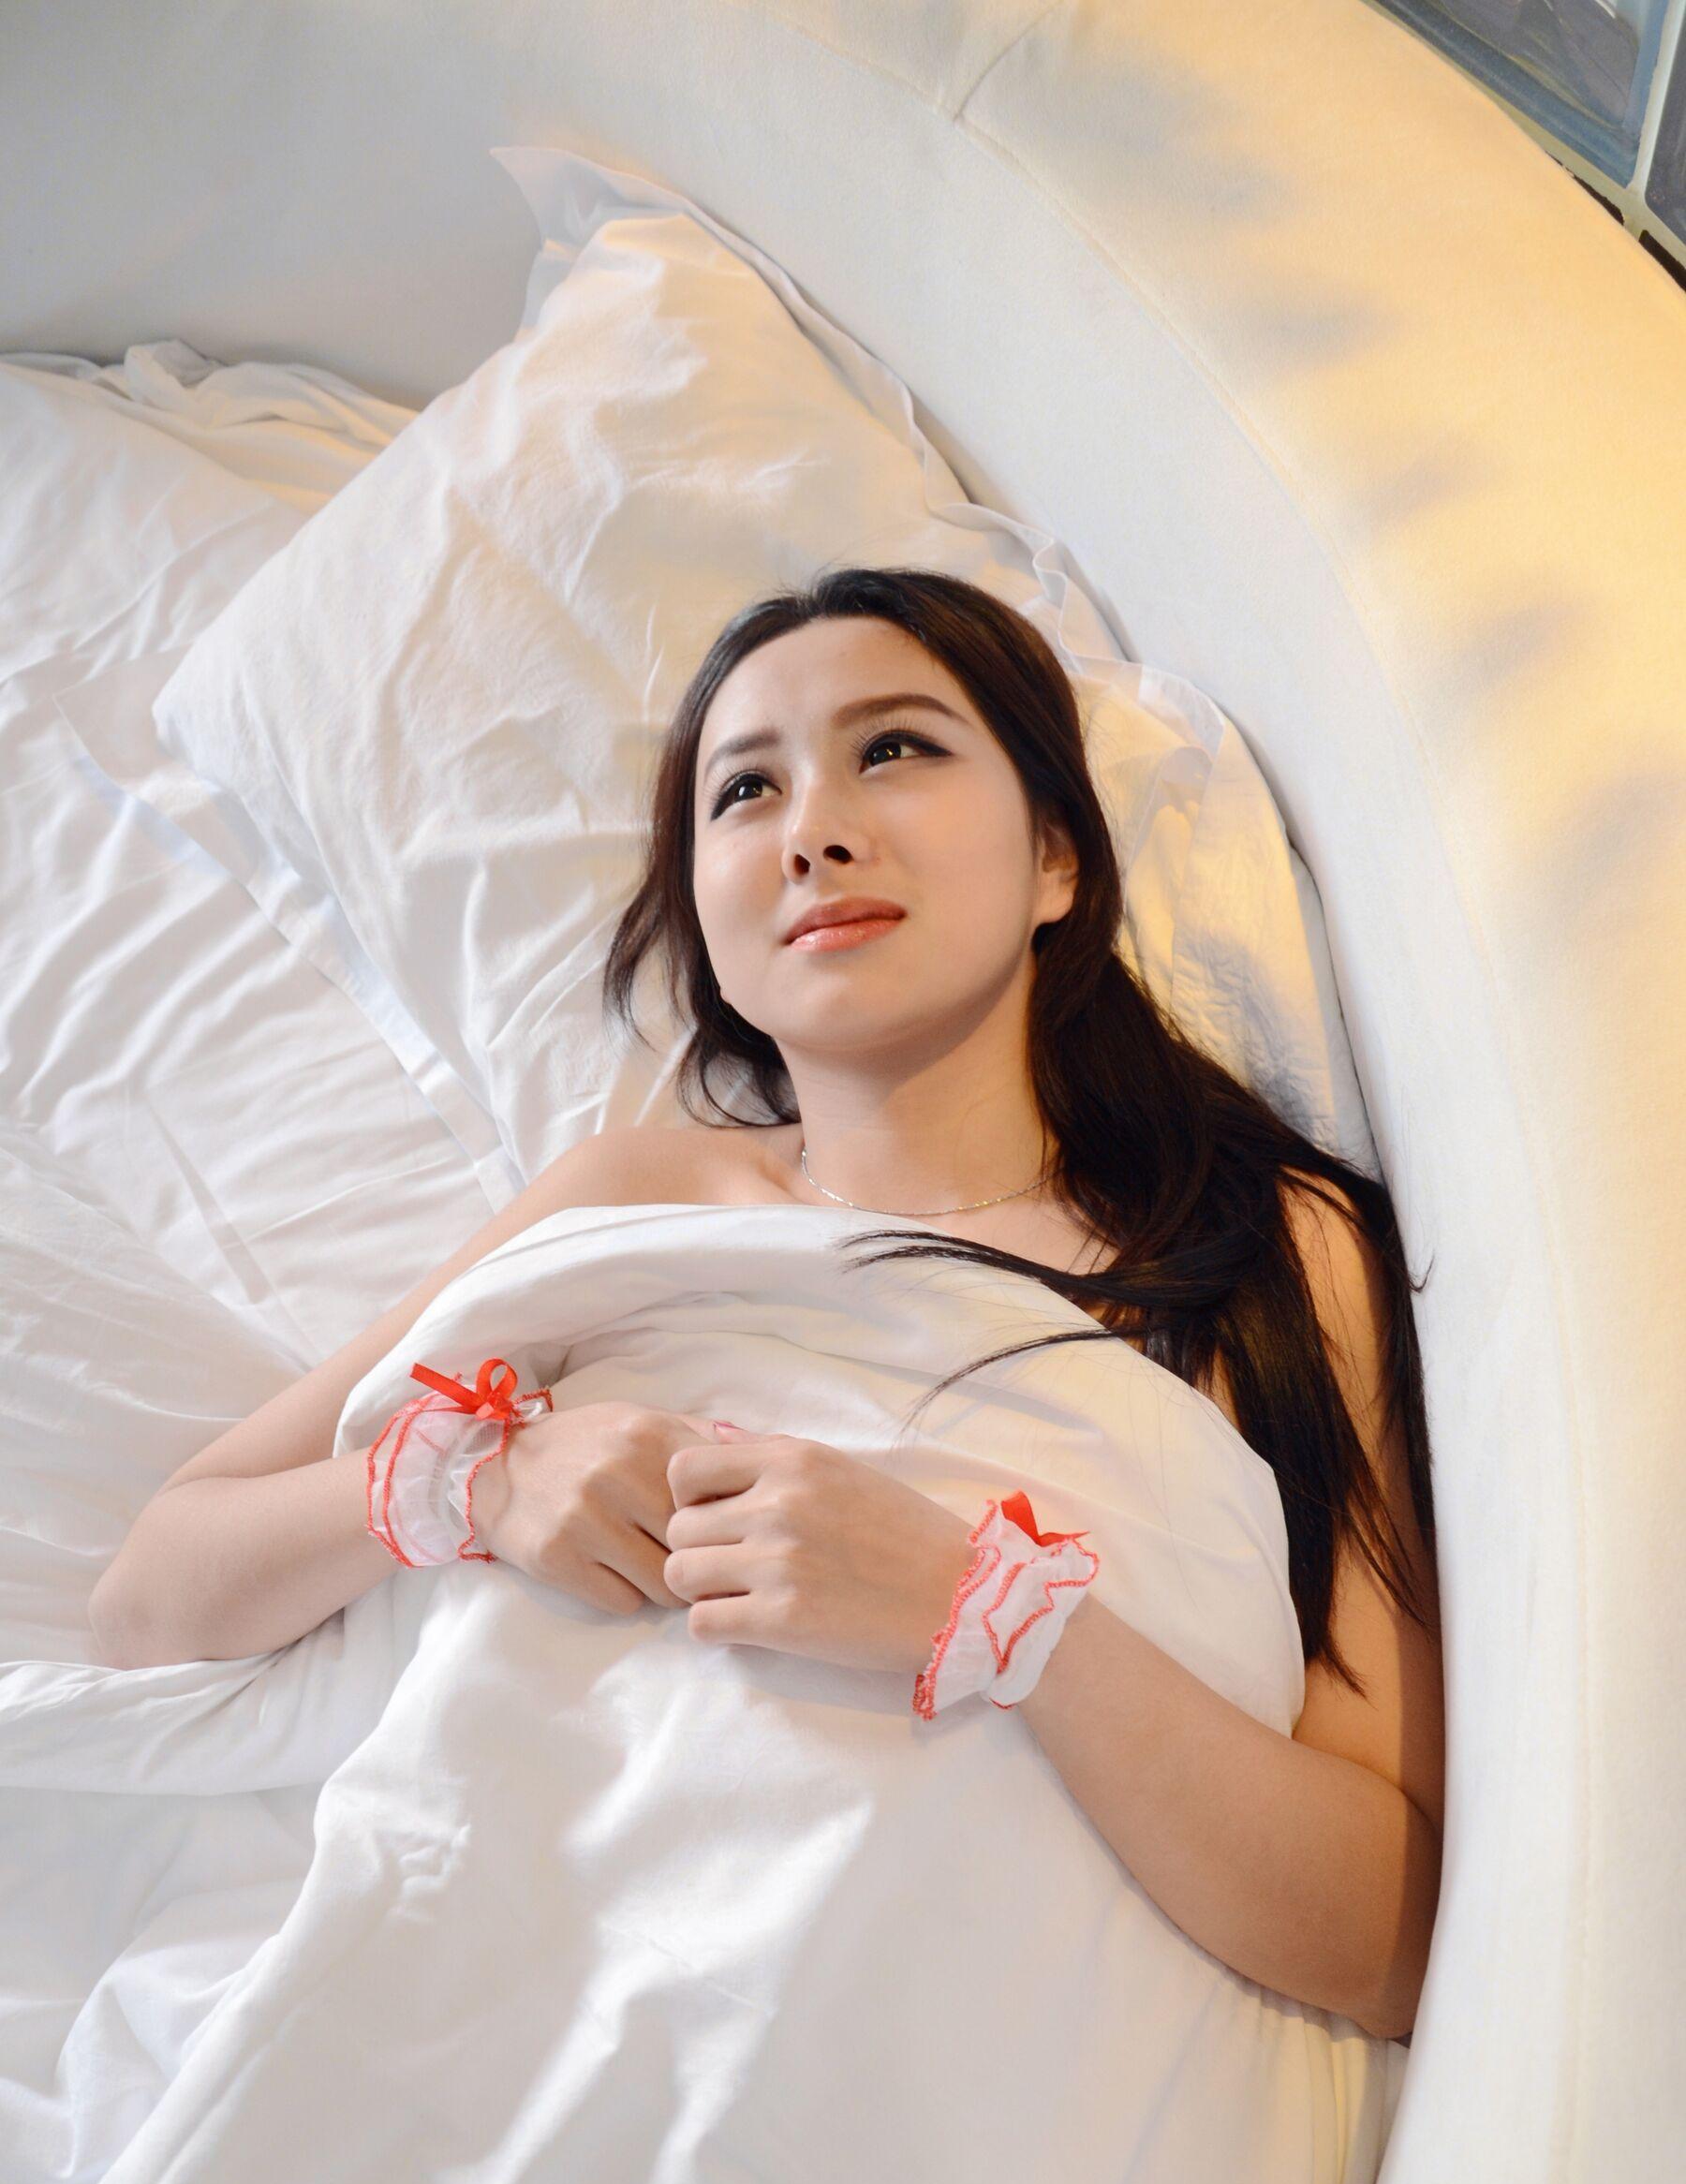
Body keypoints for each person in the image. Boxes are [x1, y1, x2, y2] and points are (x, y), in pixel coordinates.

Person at [91, 566, 1444, 2039]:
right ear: (707, 921)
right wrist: (474, 1480)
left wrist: (989, 1609)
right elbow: (153, 1594)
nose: (814, 830)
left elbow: (1389, 1938)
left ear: (1056, 856)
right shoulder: (631, 1199)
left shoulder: (1265, 1248)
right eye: (746, 790)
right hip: (478, 1986)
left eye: (894, 747)